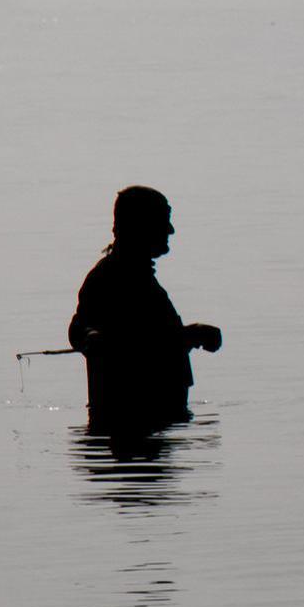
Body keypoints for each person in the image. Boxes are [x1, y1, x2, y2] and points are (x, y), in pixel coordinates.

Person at [69, 186, 222, 434]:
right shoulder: (107, 279)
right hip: (126, 425)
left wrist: (191, 336)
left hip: (160, 422)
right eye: (163, 221)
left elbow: (153, 338)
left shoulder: (143, 280)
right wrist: (90, 337)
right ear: (140, 226)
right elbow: (81, 330)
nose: (170, 230)